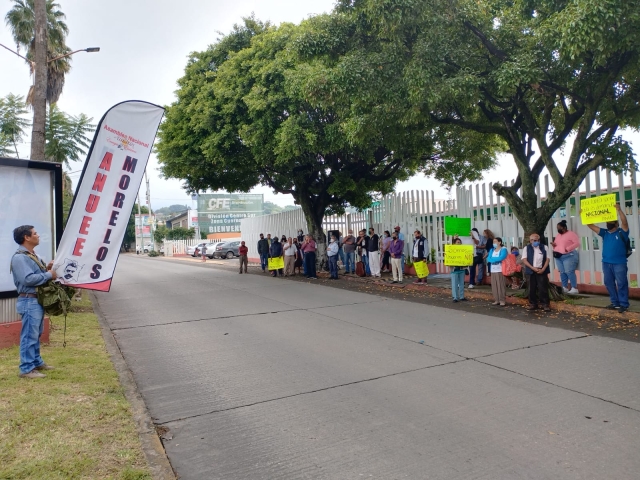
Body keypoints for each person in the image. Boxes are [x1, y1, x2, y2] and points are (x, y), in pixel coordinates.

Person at [11, 225, 57, 379]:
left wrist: (47, 269)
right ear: (27, 237)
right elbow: (28, 279)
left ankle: (36, 362)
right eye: (35, 233)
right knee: (29, 335)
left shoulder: (32, 255)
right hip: (28, 301)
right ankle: (26, 368)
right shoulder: (20, 257)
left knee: (36, 334)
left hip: (35, 301)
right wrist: (49, 275)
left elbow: (37, 275)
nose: (38, 235)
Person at [584, 203, 630, 312]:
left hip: (619, 263)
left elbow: (625, 222)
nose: (608, 223)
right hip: (606, 263)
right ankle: (615, 303)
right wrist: (584, 216)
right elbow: (591, 226)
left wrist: (619, 210)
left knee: (621, 283)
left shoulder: (622, 232)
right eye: (607, 222)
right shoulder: (605, 233)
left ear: (616, 224)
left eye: (610, 222)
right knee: (609, 283)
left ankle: (624, 304)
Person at [522, 233, 551, 311]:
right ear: (530, 240)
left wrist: (543, 269)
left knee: (543, 288)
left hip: (541, 270)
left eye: (538, 240)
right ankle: (532, 303)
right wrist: (532, 268)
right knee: (531, 288)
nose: (537, 242)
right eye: (535, 240)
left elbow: (548, 259)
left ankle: (545, 304)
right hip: (531, 270)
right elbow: (524, 260)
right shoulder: (526, 248)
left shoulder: (544, 247)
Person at [551, 219, 580, 294]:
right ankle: (565, 287)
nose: (558, 229)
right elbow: (558, 244)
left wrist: (568, 249)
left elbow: (577, 243)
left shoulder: (571, 234)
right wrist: (554, 245)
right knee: (562, 272)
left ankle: (574, 288)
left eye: (559, 228)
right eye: (557, 228)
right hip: (559, 256)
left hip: (568, 255)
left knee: (569, 271)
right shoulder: (558, 235)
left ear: (564, 227)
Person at [485, 236, 508, 306]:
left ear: (499, 242)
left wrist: (493, 259)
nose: (494, 243)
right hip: (493, 270)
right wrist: (493, 260)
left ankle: (502, 300)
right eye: (493, 242)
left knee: (501, 285)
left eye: (495, 241)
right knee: (494, 286)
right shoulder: (492, 250)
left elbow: (501, 257)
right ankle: (496, 299)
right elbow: (488, 258)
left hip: (500, 270)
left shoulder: (503, 249)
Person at [450, 237, 468, 302]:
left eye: (460, 242)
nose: (459, 243)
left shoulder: (463, 250)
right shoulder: (451, 251)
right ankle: (455, 297)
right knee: (454, 284)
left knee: (461, 284)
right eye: (458, 242)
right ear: (454, 243)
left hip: (461, 269)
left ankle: (462, 296)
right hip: (454, 269)